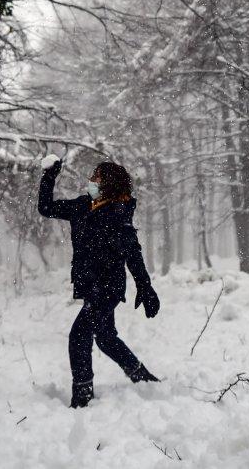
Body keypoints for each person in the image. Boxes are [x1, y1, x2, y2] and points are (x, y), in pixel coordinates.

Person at [38, 157, 160, 408]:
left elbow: (132, 252)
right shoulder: (83, 206)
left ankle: (82, 396)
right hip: (89, 285)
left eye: (97, 178)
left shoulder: (117, 213)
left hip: (108, 288)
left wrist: (144, 286)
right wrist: (49, 176)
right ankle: (142, 377)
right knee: (104, 337)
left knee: (78, 336)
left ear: (109, 185)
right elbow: (46, 208)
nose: (91, 181)